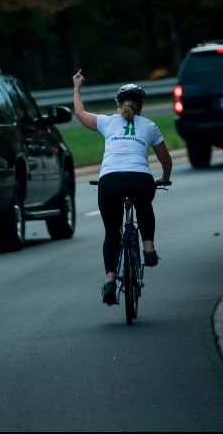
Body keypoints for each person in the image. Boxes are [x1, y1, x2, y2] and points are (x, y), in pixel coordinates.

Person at [72, 69, 173, 306]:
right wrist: (164, 178)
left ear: (118, 104)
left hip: (110, 182)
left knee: (111, 233)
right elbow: (166, 160)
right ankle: (148, 248)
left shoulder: (107, 122)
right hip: (140, 180)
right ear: (141, 106)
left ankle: (109, 281)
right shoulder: (150, 126)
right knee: (144, 206)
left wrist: (76, 88)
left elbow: (79, 113)